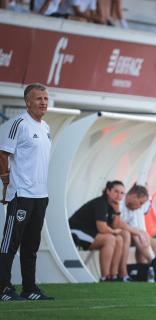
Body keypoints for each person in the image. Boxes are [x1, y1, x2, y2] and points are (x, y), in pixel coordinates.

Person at [0, 83, 53, 301]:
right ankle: (3, 287)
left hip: (41, 196)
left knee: (32, 246)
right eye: (38, 99)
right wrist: (6, 179)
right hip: (21, 195)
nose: (43, 102)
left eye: (46, 99)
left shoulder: (46, 127)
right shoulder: (19, 124)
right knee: (10, 243)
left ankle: (30, 288)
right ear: (28, 102)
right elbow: (3, 154)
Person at [69, 181, 131, 281]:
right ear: (108, 191)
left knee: (119, 239)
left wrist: (117, 211)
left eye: (122, 193)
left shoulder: (113, 206)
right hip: (75, 230)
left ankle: (113, 275)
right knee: (110, 239)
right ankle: (105, 277)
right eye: (116, 191)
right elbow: (102, 228)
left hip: (90, 232)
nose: (119, 195)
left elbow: (115, 226)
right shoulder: (101, 203)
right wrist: (115, 232)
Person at [120, 184, 156, 264]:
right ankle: (153, 262)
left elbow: (135, 227)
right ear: (133, 196)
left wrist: (141, 234)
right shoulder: (119, 203)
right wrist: (138, 233)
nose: (140, 207)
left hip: (125, 234)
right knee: (135, 235)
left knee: (154, 243)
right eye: (140, 203)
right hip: (112, 233)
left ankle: (151, 266)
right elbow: (117, 223)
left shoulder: (131, 208)